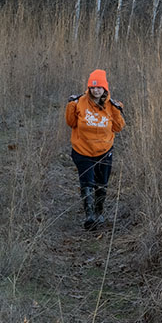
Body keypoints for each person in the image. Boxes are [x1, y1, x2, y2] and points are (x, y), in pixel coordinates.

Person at [65, 69, 125, 230]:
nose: (95, 90)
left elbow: (118, 127)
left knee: (101, 184)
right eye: (92, 87)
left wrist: (118, 111)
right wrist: (71, 105)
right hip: (82, 150)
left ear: (105, 88)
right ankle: (89, 215)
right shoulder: (80, 102)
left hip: (104, 151)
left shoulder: (111, 105)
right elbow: (71, 123)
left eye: (99, 87)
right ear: (89, 88)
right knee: (87, 182)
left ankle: (99, 211)